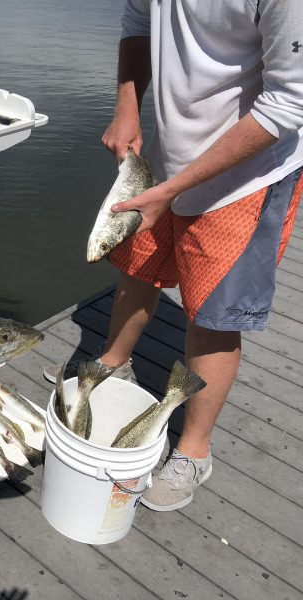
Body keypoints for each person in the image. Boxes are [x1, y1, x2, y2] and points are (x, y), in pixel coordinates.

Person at [46, 0, 303, 511]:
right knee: (138, 268)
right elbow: (139, 21)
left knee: (211, 315)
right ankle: (113, 365)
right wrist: (126, 108)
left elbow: (290, 102)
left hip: (249, 174)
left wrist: (172, 190)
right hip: (168, 152)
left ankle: (194, 450)